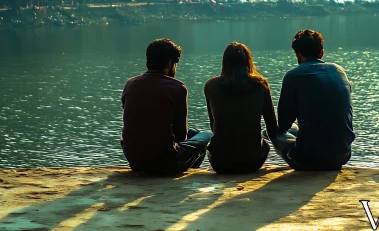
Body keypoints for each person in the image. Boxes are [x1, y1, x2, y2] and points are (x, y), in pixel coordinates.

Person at [266, 29, 355, 170]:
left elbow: (283, 125)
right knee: (295, 129)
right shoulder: (338, 71)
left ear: (298, 54)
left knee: (272, 132)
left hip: (309, 159)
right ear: (322, 53)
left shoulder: (293, 76)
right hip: (343, 155)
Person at [121, 38, 213, 174]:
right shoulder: (177, 87)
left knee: (193, 133)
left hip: (135, 160)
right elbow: (180, 135)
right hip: (165, 163)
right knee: (207, 135)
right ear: (170, 63)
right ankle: (184, 170)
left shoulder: (130, 84)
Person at [204, 42, 278, 174]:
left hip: (220, 163)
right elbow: (271, 125)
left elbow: (213, 125)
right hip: (252, 162)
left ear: (225, 62)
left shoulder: (211, 85)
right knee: (265, 141)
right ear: (248, 61)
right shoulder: (261, 85)